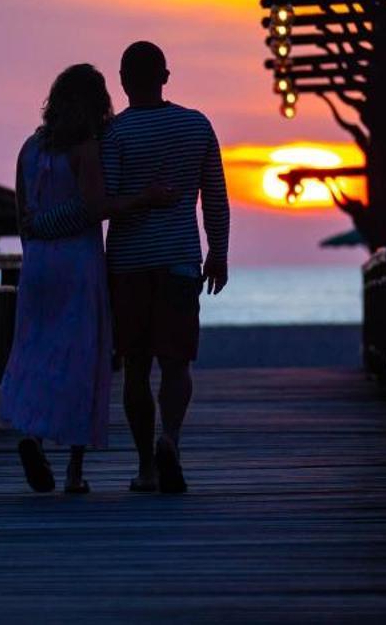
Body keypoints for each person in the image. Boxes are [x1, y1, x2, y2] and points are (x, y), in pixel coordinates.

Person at [0, 63, 173, 494]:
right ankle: (75, 471)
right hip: (78, 264)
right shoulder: (85, 148)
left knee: (34, 351)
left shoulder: (29, 147)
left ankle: (32, 435)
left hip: (38, 265)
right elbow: (95, 207)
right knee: (81, 357)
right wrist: (144, 198)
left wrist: (39, 235)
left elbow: (23, 215)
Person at [102, 40, 229, 494]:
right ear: (166, 77)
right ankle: (170, 439)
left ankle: (146, 468)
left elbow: (109, 202)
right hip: (180, 259)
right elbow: (215, 194)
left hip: (129, 264)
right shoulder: (196, 125)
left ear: (122, 81)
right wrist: (219, 251)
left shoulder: (113, 134)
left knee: (136, 366)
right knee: (177, 363)